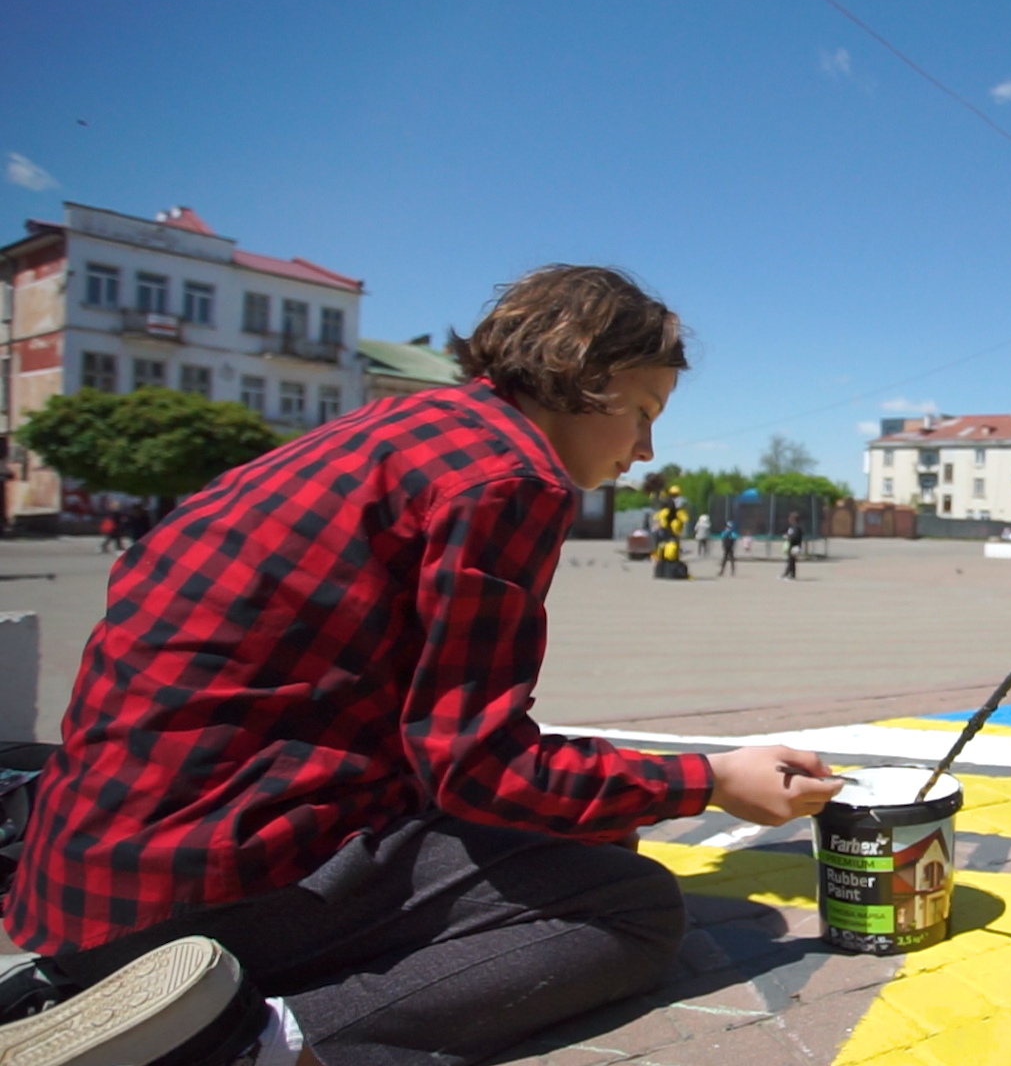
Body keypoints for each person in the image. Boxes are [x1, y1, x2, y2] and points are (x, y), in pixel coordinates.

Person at [1, 266, 844, 1066]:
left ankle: (90, 991)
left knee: (588, 827)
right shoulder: (508, 479)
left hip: (86, 872)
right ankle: (241, 1042)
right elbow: (479, 768)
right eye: (643, 411)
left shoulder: (404, 432)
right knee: (632, 906)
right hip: (192, 894)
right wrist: (708, 780)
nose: (647, 449)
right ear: (585, 376)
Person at [780, 512, 804, 581]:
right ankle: (791, 575)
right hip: (791, 546)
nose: (789, 520)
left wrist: (788, 537)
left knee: (791, 560)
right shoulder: (792, 527)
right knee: (791, 561)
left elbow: (795, 536)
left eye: (791, 518)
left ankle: (788, 574)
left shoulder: (796, 527)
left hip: (795, 546)